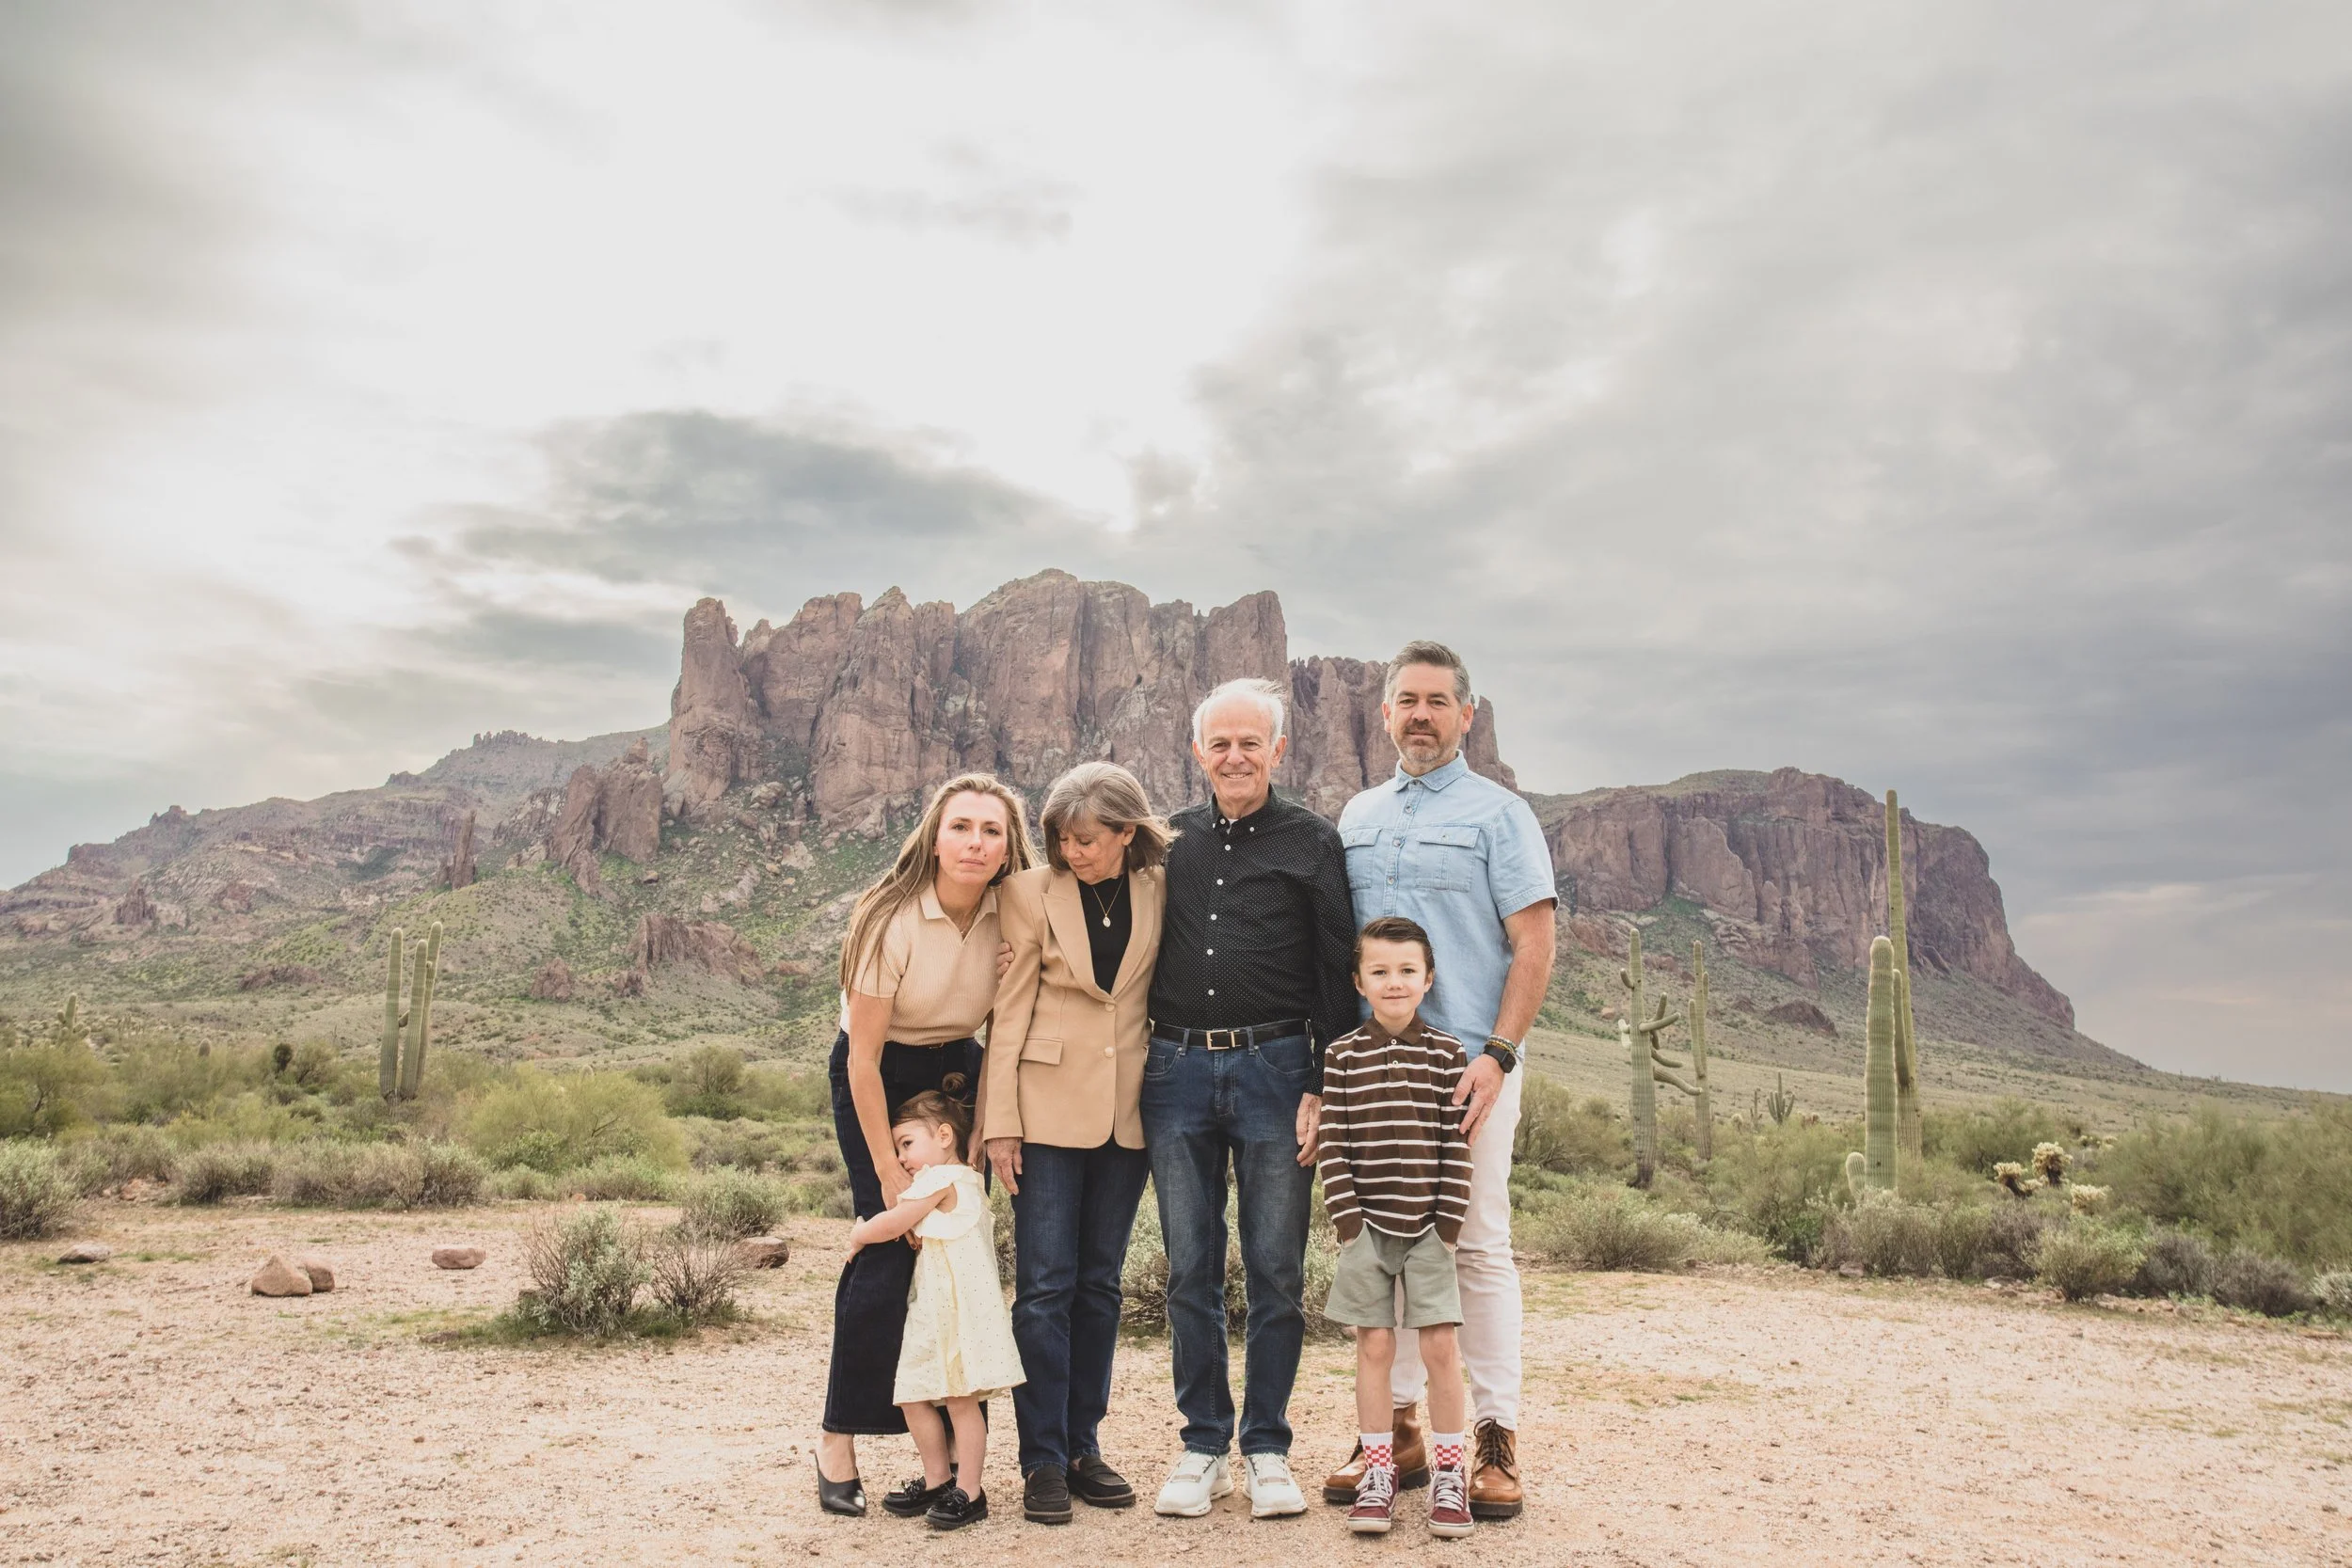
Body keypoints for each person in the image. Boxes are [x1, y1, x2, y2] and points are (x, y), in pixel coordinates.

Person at [1326, 641, 1556, 1521]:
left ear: (1467, 714)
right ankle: (1398, 1431)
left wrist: (1498, 1054)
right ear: (1384, 715)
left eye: (1437, 700)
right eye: (1405, 700)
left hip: (1466, 1066)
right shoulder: (1356, 814)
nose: (1420, 714)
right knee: (1383, 1246)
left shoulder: (1502, 815)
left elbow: (1533, 944)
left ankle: (1495, 1437)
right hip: (1375, 1066)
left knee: (1474, 1244)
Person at [1142, 676, 1359, 1521]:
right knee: (1190, 1266)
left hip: (1278, 1071)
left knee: (1275, 1267)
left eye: (1250, 742)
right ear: (1198, 751)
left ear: (1278, 748)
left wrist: (1322, 1084)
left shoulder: (1313, 842)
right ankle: (1203, 1444)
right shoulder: (1166, 839)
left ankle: (1267, 1445)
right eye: (1219, 743)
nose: (1234, 756)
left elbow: (1338, 968)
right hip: (1174, 1073)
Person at [815, 772, 1036, 1518]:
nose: (976, 841)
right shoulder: (889, 916)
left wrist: (983, 1115)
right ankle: (836, 1437)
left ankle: (946, 1470)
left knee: (954, 1255)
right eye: (962, 826)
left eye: (992, 830)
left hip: (960, 1069)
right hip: (880, 1073)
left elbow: (1011, 1015)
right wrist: (886, 1165)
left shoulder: (1014, 908)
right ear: (935, 836)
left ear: (1008, 847)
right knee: (885, 1251)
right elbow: (861, 1058)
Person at [982, 762, 1171, 1525]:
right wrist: (999, 1120)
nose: (1071, 850)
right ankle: (1042, 1459)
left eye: (1087, 838)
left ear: (1127, 833)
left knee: (1100, 1285)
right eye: (1060, 837)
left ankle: (1086, 1444)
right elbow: (1010, 1005)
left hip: (1129, 1116)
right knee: (1044, 1287)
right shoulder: (1028, 892)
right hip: (1043, 1112)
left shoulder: (1163, 886)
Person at [1316, 916, 1474, 1539]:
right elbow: (1334, 1143)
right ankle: (1378, 1471)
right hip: (1367, 1231)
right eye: (1380, 971)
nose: (1394, 982)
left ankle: (1450, 1473)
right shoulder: (1342, 1055)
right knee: (1375, 1346)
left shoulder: (1445, 1053)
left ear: (1428, 978)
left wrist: (1448, 1227)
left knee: (1439, 1346)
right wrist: (1350, 1224)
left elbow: (1454, 1145)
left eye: (1407, 970)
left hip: (1430, 1230)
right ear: (1359, 980)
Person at [849, 1084, 1025, 1531]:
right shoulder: (950, 1178)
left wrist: (859, 1233)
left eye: (908, 1144)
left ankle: (970, 1488)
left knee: (961, 1399)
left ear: (944, 1136)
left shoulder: (945, 1179)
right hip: (933, 1310)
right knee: (912, 1393)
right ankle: (937, 1478)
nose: (903, 1158)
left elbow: (895, 1222)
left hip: (960, 1313)